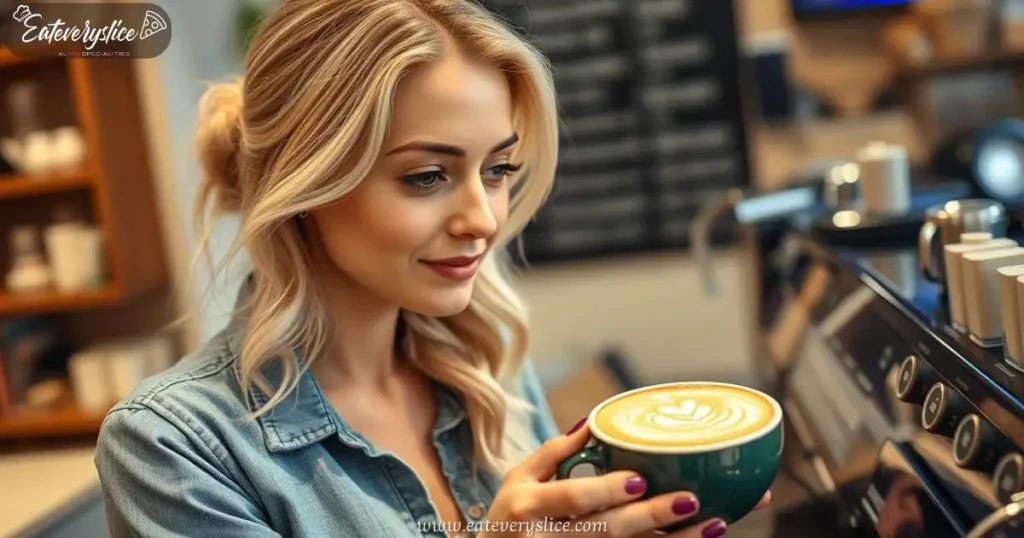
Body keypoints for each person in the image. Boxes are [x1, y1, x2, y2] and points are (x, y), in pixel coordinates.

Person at [94, 1, 769, 537]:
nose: (483, 217)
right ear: (306, 183)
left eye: (498, 169)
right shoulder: (174, 448)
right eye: (426, 175)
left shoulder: (490, 361)